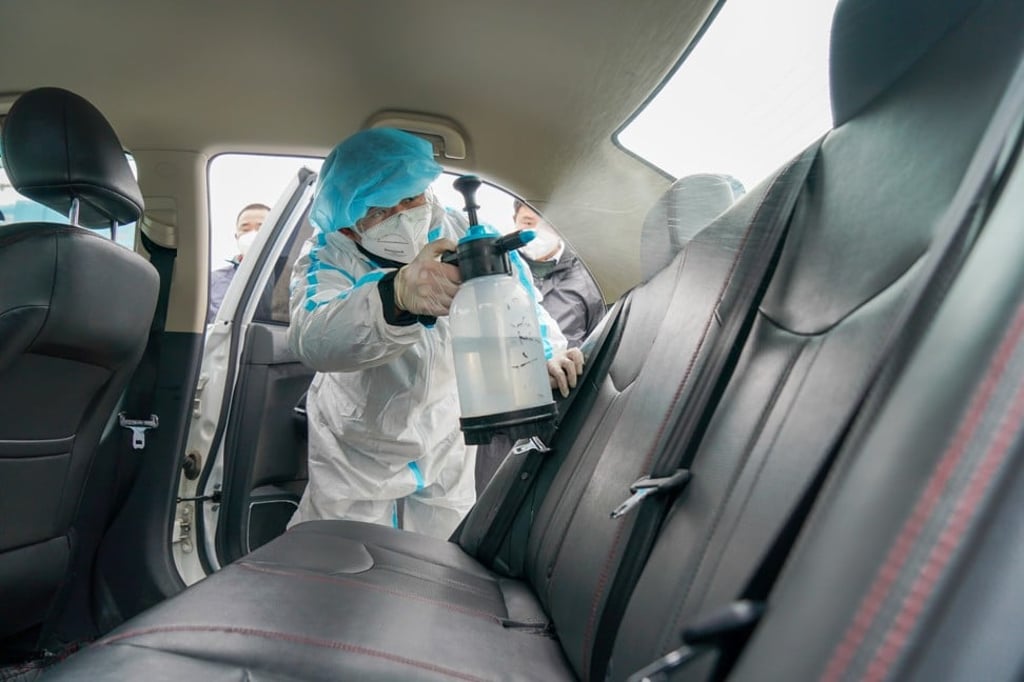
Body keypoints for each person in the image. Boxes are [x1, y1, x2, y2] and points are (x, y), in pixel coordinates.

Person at [287, 127, 583, 539]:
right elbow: (313, 336)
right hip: (357, 440)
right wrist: (396, 295)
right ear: (348, 225)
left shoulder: (460, 226)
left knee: (439, 562)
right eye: (380, 210)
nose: (403, 214)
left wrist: (546, 353)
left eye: (410, 198)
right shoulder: (328, 253)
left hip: (445, 427)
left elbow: (520, 297)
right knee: (338, 557)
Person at [474, 201, 607, 491]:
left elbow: (598, 350)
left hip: (557, 417)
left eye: (545, 222)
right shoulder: (496, 272)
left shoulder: (586, 282)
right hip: (502, 420)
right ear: (515, 221)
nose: (536, 231)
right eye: (528, 221)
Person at [207, 202, 270, 323]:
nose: (252, 234)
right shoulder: (212, 281)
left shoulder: (285, 278)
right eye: (245, 229)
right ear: (237, 236)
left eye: (261, 228)